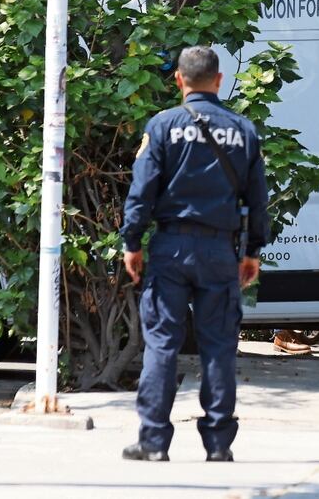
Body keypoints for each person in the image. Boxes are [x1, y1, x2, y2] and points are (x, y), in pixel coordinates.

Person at [120, 45, 268, 462]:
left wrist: (132, 242)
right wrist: (252, 250)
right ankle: (219, 445)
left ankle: (152, 442)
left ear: (178, 80)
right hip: (221, 250)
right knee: (218, 345)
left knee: (162, 343)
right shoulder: (243, 130)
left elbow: (142, 190)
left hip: (170, 248)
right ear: (218, 81)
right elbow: (258, 198)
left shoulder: (163, 125)